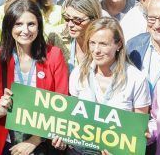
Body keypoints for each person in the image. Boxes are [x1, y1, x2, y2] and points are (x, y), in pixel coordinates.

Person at [0, 0, 69, 155]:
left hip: (41, 145)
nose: (25, 30)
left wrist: (33, 141)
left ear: (39, 26)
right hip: (5, 143)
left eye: (31, 24)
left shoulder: (54, 55)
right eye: (18, 24)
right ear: (9, 26)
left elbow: (61, 108)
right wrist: (1, 111)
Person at [55, 18, 150, 153]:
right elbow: (71, 118)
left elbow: (138, 130)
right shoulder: (79, 73)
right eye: (92, 43)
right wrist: (63, 138)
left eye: (103, 44)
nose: (96, 50)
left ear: (119, 45)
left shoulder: (136, 78)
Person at [62, 0, 102, 72]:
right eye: (67, 18)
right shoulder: (57, 40)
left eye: (77, 20)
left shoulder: (105, 44)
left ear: (94, 19)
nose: (70, 24)